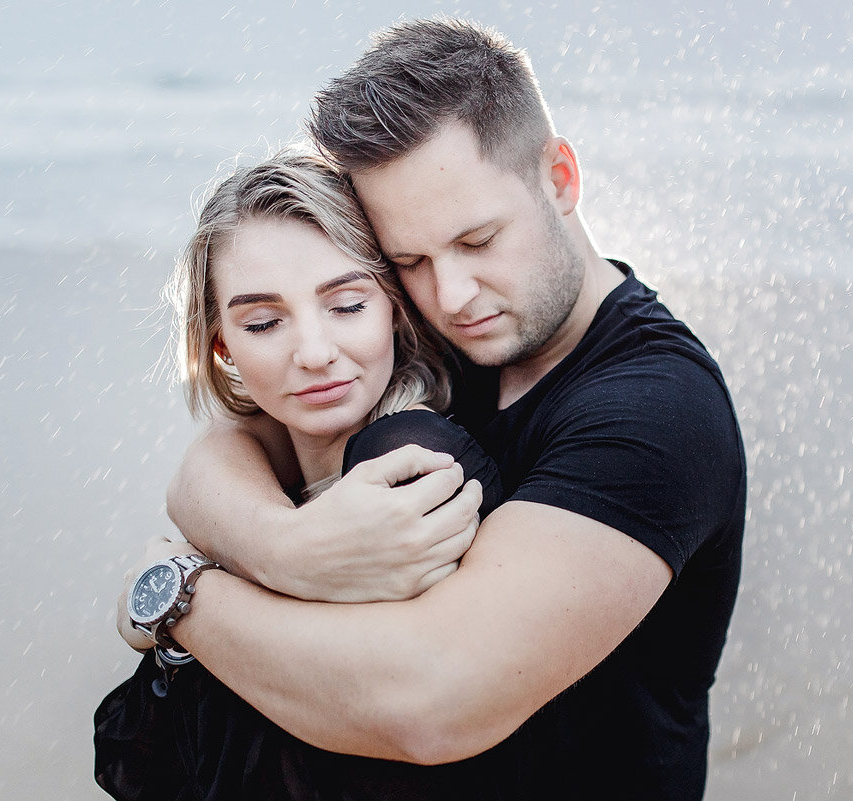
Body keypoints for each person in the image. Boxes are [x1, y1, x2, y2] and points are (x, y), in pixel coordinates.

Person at [119, 17, 746, 800]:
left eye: (478, 239)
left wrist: (178, 591)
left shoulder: (658, 411)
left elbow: (431, 703)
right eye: (409, 259)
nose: (451, 294)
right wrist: (285, 545)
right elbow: (227, 449)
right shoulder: (451, 335)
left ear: (560, 177)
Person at [95, 147, 503, 800]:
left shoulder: (413, 463)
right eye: (264, 321)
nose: (314, 353)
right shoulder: (254, 480)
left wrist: (174, 595)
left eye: (346, 305)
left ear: (394, 307)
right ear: (221, 342)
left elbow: (389, 723)